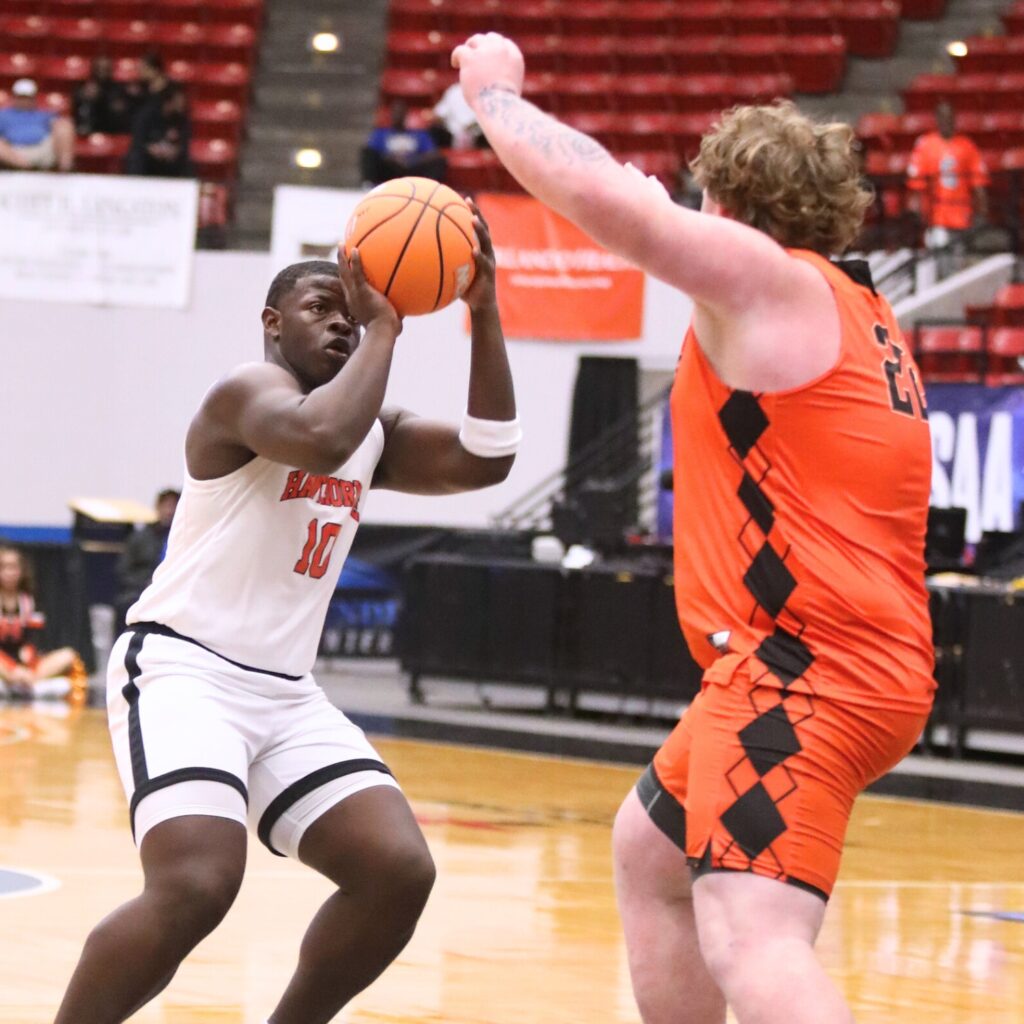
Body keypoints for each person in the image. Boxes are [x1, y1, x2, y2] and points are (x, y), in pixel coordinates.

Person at [451, 33, 933, 1024]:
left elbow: (612, 209)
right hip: (838, 662)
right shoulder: (855, 310)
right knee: (651, 847)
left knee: (750, 932)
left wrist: (494, 94)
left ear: (729, 205)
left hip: (801, 672)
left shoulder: (770, 282)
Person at [54, 205, 518, 1024]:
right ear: (271, 323)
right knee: (197, 883)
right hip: (182, 670)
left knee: (396, 872)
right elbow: (321, 438)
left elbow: (489, 458)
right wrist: (384, 326)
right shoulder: (248, 392)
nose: (344, 320)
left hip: (284, 694)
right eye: (322, 308)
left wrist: (483, 312)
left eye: (352, 309)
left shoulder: (373, 427)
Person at [906, 101, 988, 274]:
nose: (946, 121)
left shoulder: (966, 145)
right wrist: (920, 213)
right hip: (936, 218)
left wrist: (981, 211)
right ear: (937, 119)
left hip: (961, 217)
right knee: (938, 264)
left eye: (949, 117)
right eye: (942, 117)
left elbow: (978, 183)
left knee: (957, 266)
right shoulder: (926, 145)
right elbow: (917, 185)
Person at [0, 545, 87, 701]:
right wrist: (11, 669)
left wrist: (27, 658)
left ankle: (25, 686)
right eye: (4, 567)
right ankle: (24, 685)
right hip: (3, 665)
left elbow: (35, 637)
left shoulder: (30, 601)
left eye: (13, 567)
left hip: (27, 664)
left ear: (21, 570)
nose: (9, 573)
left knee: (68, 655)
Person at [114, 488, 180, 630]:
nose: (170, 511)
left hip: (176, 589)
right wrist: (146, 583)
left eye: (174, 506)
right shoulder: (140, 537)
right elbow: (124, 570)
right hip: (142, 589)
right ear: (157, 507)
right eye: (166, 506)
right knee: (126, 603)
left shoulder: (184, 537)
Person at [360, 100, 446, 186]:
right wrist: (392, 159)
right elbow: (371, 151)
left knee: (439, 160)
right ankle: (370, 185)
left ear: (406, 115)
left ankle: (431, 187)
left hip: (414, 168)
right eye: (396, 112)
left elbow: (432, 153)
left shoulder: (419, 134)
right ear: (391, 115)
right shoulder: (381, 133)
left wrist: (412, 161)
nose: (398, 115)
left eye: (401, 112)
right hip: (390, 169)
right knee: (367, 153)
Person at [0, 78, 74, 172]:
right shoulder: (3, 115)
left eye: (27, 97)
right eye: (21, 97)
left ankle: (65, 171)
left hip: (41, 149)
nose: (24, 100)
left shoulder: (44, 114)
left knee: (65, 125)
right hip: (13, 151)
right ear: (14, 97)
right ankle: (27, 168)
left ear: (34, 97)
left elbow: (60, 127)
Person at [125, 81, 192, 177]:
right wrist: (152, 149)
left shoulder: (182, 119)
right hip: (148, 159)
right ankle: (136, 185)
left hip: (170, 161)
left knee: (187, 162)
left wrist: (174, 151)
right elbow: (138, 141)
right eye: (179, 100)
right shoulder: (146, 115)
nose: (182, 103)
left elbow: (184, 145)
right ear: (169, 101)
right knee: (136, 157)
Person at [73, 56, 137, 136]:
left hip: (111, 130)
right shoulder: (84, 87)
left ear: (111, 70)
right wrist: (83, 96)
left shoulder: (118, 89)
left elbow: (121, 110)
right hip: (89, 131)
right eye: (99, 69)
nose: (102, 72)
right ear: (94, 69)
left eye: (105, 69)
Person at [429, 80, 485, 150]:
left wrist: (470, 126)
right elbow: (440, 113)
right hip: (452, 133)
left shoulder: (487, 91)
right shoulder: (454, 90)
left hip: (480, 135)